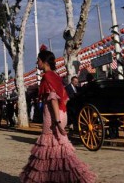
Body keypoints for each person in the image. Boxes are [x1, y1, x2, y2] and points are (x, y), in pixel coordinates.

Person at [20, 50, 96, 183]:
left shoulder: (47, 77)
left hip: (53, 116)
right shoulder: (56, 76)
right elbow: (65, 99)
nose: (36, 63)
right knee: (59, 150)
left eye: (38, 60)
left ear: (44, 62)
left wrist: (57, 120)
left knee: (50, 150)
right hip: (62, 112)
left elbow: (53, 98)